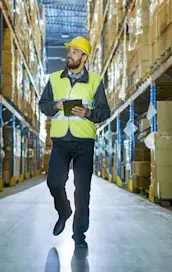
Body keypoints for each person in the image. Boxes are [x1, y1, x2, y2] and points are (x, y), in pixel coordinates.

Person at [39, 36, 111, 249]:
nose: (69, 54)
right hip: (61, 140)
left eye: (74, 51)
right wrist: (56, 105)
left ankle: (79, 232)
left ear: (84, 57)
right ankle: (64, 211)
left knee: (82, 189)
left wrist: (88, 112)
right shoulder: (54, 79)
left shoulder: (95, 82)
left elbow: (104, 111)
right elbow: (43, 105)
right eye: (69, 50)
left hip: (84, 142)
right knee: (54, 182)